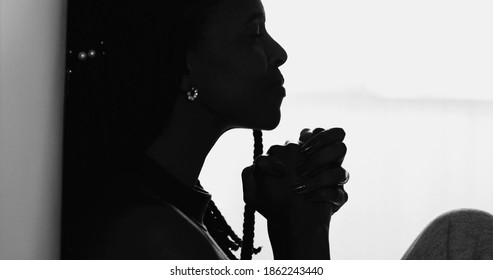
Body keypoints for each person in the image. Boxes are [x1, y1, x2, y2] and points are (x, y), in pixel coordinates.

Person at [62, 0, 349, 260]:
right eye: (254, 34)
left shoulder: (159, 208)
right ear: (184, 66)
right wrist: (308, 231)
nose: (280, 53)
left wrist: (291, 222)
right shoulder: (156, 238)